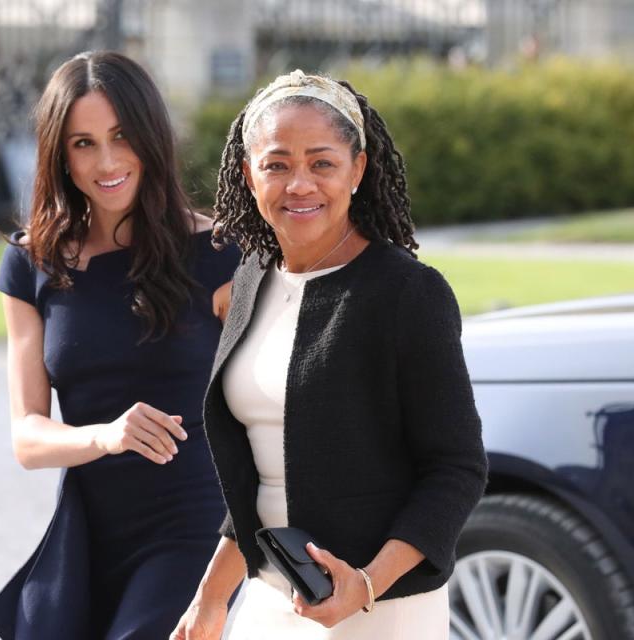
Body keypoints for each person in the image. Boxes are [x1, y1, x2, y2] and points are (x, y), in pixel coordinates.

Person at [171, 70, 488, 639]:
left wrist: (366, 584)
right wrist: (211, 597)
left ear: (358, 170)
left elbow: (457, 468)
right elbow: (265, 475)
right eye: (277, 164)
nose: (299, 184)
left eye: (322, 163)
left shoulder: (407, 293)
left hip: (379, 609)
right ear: (249, 175)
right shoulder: (249, 284)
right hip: (270, 600)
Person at [0, 51, 240, 640]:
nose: (106, 161)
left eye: (122, 136)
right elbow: (27, 436)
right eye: (83, 143)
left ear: (151, 136)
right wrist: (104, 435)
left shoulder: (222, 253)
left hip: (195, 523)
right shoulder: (31, 265)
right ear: (60, 155)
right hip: (90, 531)